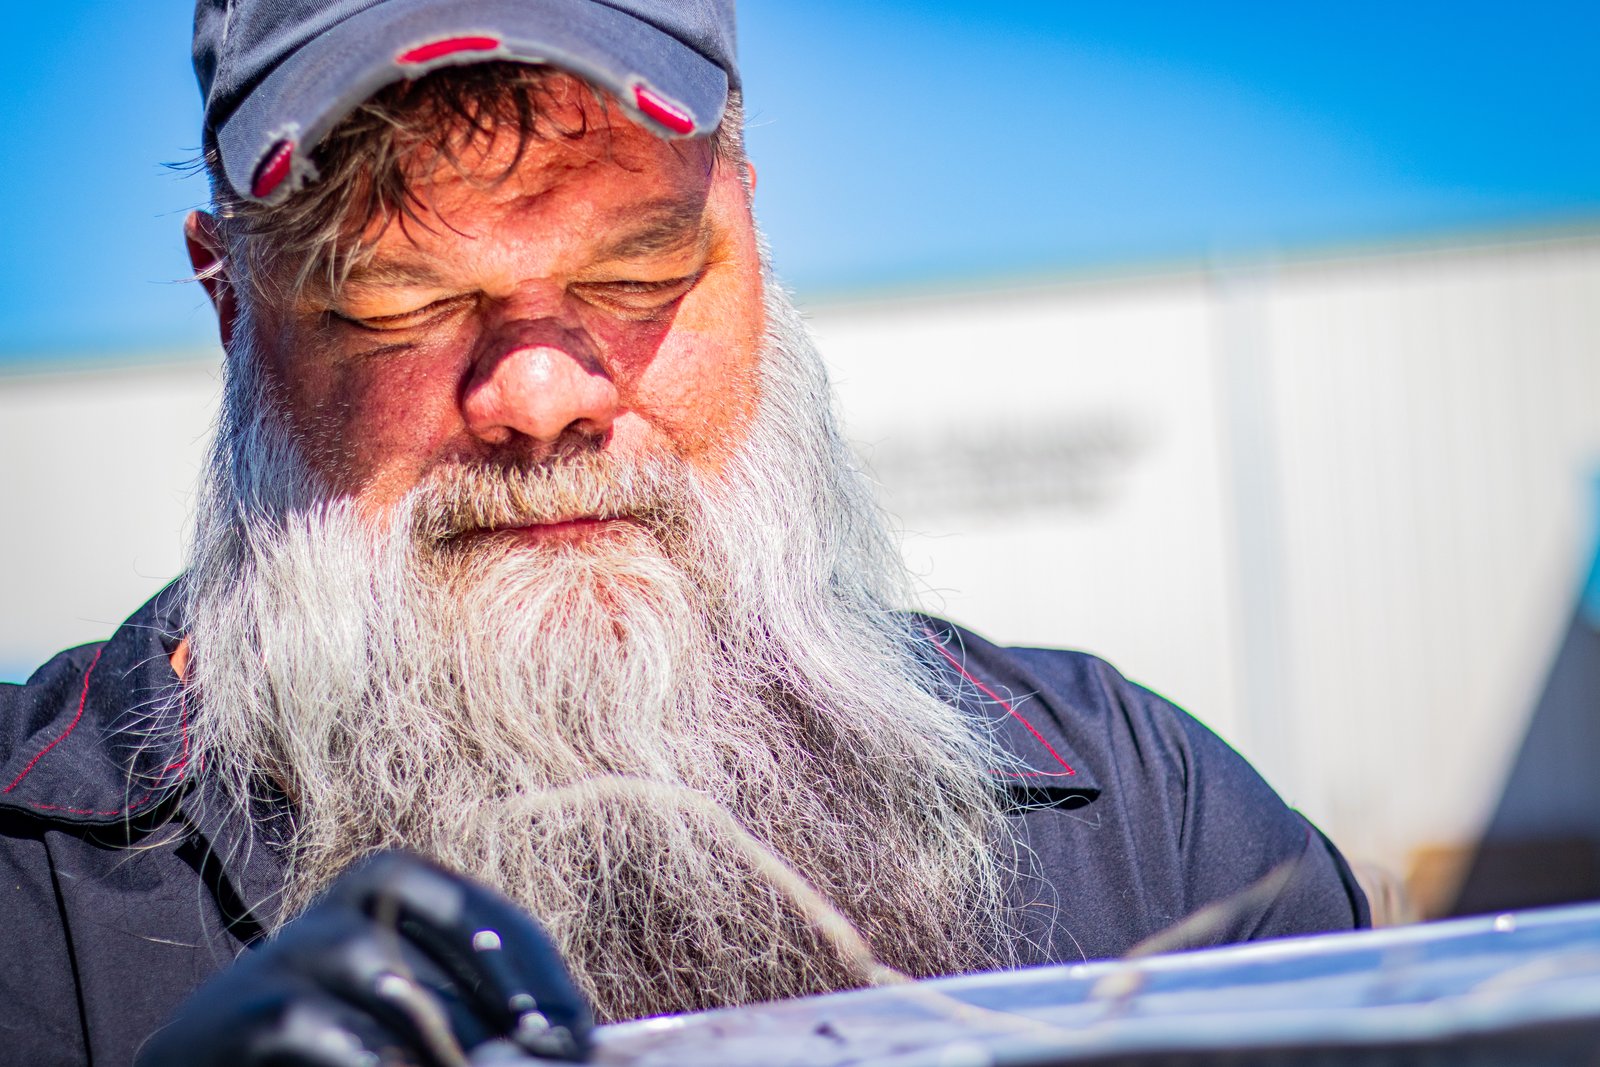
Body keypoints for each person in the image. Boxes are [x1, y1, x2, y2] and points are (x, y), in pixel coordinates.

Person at [0, 1, 1370, 1064]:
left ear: (751, 236)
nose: (541, 395)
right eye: (398, 297)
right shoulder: (29, 901)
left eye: (639, 267)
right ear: (230, 300)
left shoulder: (1146, 831)